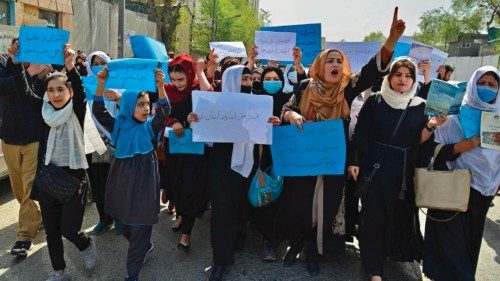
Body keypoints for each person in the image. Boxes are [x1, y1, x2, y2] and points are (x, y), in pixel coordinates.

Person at [276, 7, 407, 276]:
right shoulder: (303, 87)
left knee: (324, 206)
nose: (335, 65)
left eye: (339, 61)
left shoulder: (346, 89)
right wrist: (291, 114)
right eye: (330, 60)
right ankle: (296, 242)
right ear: (320, 65)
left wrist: (391, 41)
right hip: (303, 159)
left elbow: (372, 72)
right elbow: (286, 108)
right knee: (301, 203)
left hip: (333, 160)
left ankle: (314, 249)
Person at [348, 57, 447, 280]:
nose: (402, 79)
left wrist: (431, 126)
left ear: (413, 80)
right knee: (373, 216)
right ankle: (373, 268)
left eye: (408, 76)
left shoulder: (420, 106)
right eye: (398, 74)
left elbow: (418, 142)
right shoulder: (375, 101)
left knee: (395, 216)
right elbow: (361, 133)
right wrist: (354, 161)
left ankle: (386, 254)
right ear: (389, 77)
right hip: (375, 167)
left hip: (403, 171)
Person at [12, 43, 102, 281]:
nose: (55, 94)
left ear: (69, 92)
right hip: (48, 178)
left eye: (60, 89)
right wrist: (16, 64)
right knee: (52, 230)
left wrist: (71, 66)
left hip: (74, 179)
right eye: (51, 90)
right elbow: (23, 92)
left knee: (70, 229)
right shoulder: (43, 112)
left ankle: (86, 244)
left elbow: (81, 93)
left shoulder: (77, 111)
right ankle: (59, 271)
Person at [188, 64, 280, 281]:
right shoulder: (213, 104)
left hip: (249, 161)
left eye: (249, 79)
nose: (248, 83)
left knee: (240, 204)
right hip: (222, 163)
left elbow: (260, 133)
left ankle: (237, 242)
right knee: (222, 209)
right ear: (231, 80)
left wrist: (271, 124)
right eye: (243, 79)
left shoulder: (257, 102)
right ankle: (220, 259)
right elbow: (207, 138)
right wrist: (195, 122)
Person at [421, 66, 500, 281]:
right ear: (472, 85)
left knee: (469, 243)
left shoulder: (498, 119)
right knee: (450, 245)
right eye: (481, 83)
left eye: (492, 85)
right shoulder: (454, 116)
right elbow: (431, 150)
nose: (486, 88)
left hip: (484, 189)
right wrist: (459, 148)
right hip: (452, 185)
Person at [93, 67, 170, 281]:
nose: (146, 108)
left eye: (147, 104)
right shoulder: (118, 125)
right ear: (128, 105)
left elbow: (164, 110)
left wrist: (160, 86)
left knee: (139, 228)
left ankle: (132, 274)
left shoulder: (150, 127)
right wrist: (101, 84)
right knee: (126, 227)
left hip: (145, 183)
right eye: (140, 104)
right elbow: (99, 110)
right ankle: (144, 246)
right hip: (123, 181)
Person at [162, 54, 211, 251]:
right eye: (173, 79)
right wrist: (172, 122)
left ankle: (186, 235)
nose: (177, 83)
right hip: (175, 149)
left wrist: (195, 119)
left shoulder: (198, 87)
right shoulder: (167, 90)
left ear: (190, 74)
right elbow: (161, 113)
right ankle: (181, 216)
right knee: (177, 185)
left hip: (196, 151)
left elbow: (210, 97)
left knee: (191, 188)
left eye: (181, 79)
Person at [1, 38, 42, 257]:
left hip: (34, 137)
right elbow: (4, 87)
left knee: (27, 187)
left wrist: (39, 72)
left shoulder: (43, 67)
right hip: (9, 137)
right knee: (18, 188)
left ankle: (24, 237)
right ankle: (36, 217)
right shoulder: (4, 63)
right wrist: (26, 71)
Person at [84, 50, 122, 236]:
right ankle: (104, 219)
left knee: (116, 182)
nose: (98, 65)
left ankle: (120, 218)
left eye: (102, 62)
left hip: (114, 142)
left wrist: (119, 99)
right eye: (94, 62)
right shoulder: (85, 86)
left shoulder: (119, 86)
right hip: (93, 143)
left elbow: (126, 112)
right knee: (98, 183)